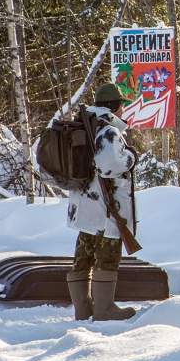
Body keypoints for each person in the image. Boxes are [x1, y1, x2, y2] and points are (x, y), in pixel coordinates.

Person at [65, 83, 138, 321]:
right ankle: (105, 309)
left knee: (83, 254)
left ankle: (83, 308)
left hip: (84, 205)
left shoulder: (85, 126)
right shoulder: (107, 130)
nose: (122, 111)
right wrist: (130, 157)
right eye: (121, 106)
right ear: (116, 106)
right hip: (105, 208)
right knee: (107, 255)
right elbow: (109, 166)